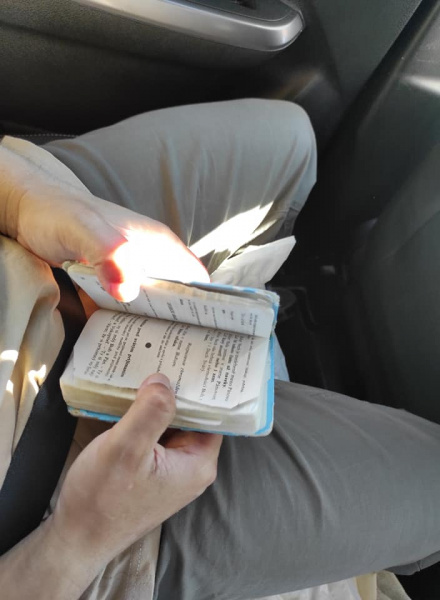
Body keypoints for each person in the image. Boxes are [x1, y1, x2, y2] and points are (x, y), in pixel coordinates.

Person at [0, 99, 439, 600]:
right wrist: (76, 542)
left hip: (36, 247)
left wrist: (27, 201)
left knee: (292, 141)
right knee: (431, 482)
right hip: (65, 510)